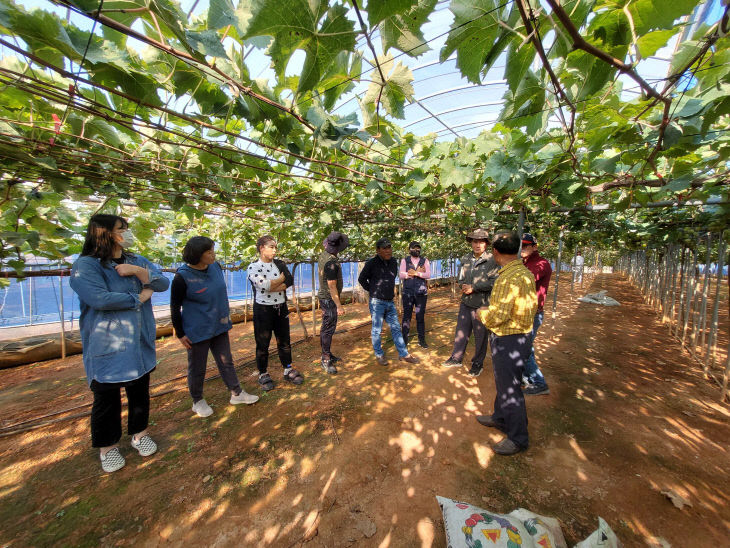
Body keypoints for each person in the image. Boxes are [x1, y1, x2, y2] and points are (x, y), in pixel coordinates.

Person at [70, 214, 170, 473]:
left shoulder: (136, 260)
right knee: (106, 396)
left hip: (137, 339)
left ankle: (140, 433)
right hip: (107, 342)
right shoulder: (87, 266)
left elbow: (162, 282)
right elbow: (101, 299)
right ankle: (108, 447)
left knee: (139, 391)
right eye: (122, 229)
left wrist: (138, 271)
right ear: (104, 233)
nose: (127, 232)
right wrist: (138, 297)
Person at [170, 236, 259, 418]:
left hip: (219, 325)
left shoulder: (215, 267)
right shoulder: (182, 277)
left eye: (213, 250)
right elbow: (174, 307)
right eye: (209, 251)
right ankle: (198, 400)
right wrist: (180, 333)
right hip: (197, 330)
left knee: (226, 361)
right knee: (197, 367)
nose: (213, 254)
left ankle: (236, 393)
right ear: (197, 255)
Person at [475, 231, 538, 456]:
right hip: (520, 336)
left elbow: (497, 316)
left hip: (508, 338)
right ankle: (500, 418)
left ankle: (518, 438)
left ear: (495, 252)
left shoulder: (506, 278)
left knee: (510, 388)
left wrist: (481, 314)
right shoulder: (524, 273)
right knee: (504, 382)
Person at [247, 235, 304, 390]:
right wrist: (279, 281)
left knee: (284, 341)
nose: (274, 250)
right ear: (261, 248)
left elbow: (289, 279)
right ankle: (263, 373)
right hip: (263, 310)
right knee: (262, 343)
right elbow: (263, 286)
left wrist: (272, 286)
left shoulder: (279, 264)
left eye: (275, 247)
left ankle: (287, 369)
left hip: (280, 307)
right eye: (271, 247)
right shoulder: (253, 267)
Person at [442, 228, 500, 377]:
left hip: (482, 305)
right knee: (461, 332)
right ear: (471, 243)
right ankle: (456, 358)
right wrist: (463, 286)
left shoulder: (492, 260)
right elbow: (461, 278)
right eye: (475, 241)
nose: (478, 244)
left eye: (481, 241)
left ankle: (477, 363)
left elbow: (494, 282)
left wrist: (474, 287)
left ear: (486, 244)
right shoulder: (466, 259)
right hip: (466, 303)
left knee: (480, 336)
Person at [358, 238, 419, 366]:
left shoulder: (393, 262)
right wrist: (372, 290)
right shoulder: (371, 263)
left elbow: (392, 277)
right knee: (376, 330)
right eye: (384, 248)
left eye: (389, 247)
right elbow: (362, 279)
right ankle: (379, 354)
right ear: (378, 250)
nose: (388, 250)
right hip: (377, 302)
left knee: (396, 327)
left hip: (390, 302)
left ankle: (404, 354)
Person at [520, 234, 552, 396]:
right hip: (523, 313)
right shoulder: (524, 263)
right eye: (521, 246)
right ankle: (525, 376)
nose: (523, 248)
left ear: (535, 247)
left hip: (532, 314)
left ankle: (540, 383)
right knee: (525, 346)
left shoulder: (541, 264)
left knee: (524, 348)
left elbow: (526, 280)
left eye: (526, 245)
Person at [318, 231, 349, 375]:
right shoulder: (331, 263)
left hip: (325, 298)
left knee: (327, 328)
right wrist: (339, 306)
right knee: (328, 329)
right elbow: (331, 285)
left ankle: (327, 354)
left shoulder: (323, 255)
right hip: (329, 299)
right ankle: (325, 359)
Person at [399, 241, 431, 348]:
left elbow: (428, 275)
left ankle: (421, 340)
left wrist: (416, 273)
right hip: (408, 293)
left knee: (420, 317)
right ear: (409, 250)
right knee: (406, 317)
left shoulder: (424, 260)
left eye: (418, 248)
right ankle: (404, 340)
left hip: (421, 293)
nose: (416, 250)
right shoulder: (405, 260)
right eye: (414, 248)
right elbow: (401, 274)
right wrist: (410, 274)